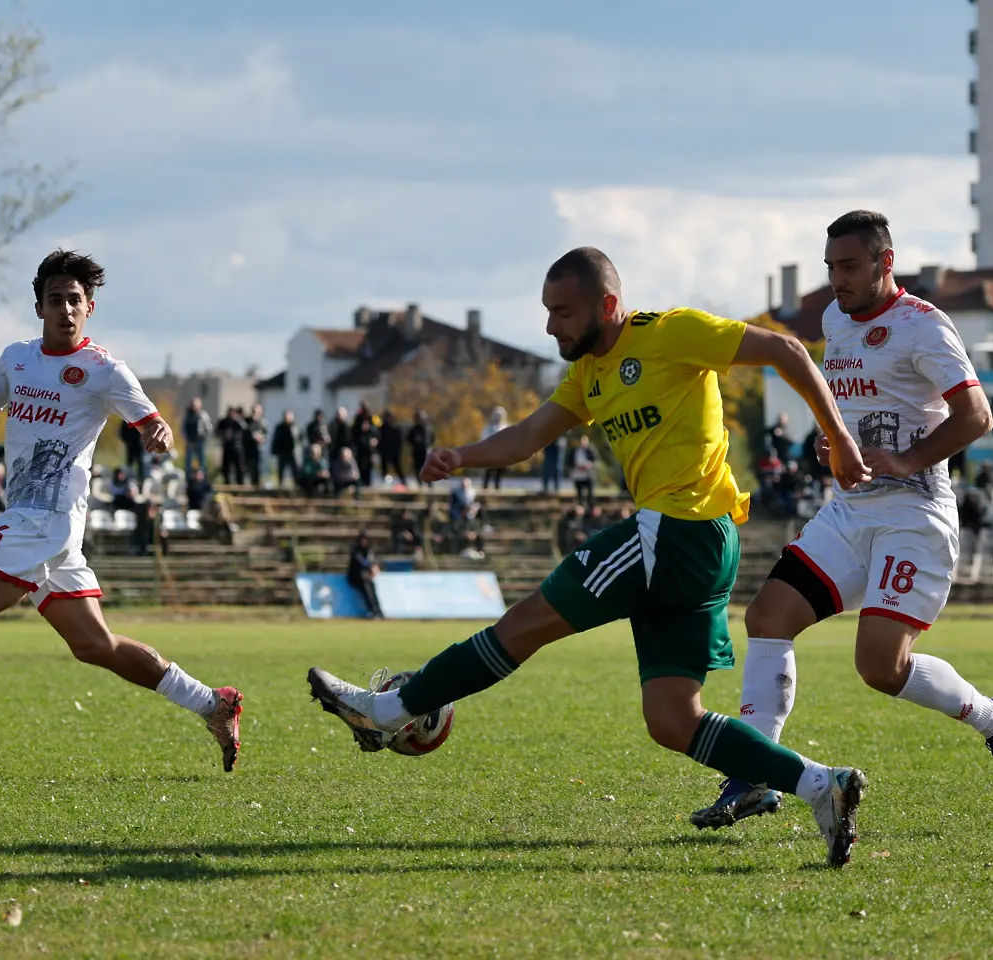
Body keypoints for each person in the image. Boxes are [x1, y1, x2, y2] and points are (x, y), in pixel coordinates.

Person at [308, 245, 873, 867]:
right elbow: (528, 437)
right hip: (697, 547)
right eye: (548, 312)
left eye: (564, 312)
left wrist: (839, 437)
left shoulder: (672, 332)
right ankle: (824, 785)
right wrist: (462, 455)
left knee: (525, 624)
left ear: (608, 304)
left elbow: (786, 350)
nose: (552, 326)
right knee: (671, 719)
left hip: (678, 529)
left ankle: (388, 710)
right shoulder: (588, 374)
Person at [690, 210, 993, 833]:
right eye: (830, 268)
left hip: (915, 514)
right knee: (768, 616)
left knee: (879, 667)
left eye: (849, 267)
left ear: (886, 261)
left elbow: (976, 417)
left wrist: (905, 457)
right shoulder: (834, 319)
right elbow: (850, 406)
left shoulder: (924, 326)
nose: (837, 281)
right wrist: (836, 445)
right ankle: (754, 775)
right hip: (852, 511)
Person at [0, 249, 242, 779]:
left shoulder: (104, 370)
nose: (66, 309)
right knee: (95, 645)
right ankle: (215, 703)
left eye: (75, 300)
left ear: (89, 308)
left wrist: (157, 432)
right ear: (39, 307)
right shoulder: (17, 359)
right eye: (56, 300)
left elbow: (151, 422)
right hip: (40, 526)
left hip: (44, 519)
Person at [347, 530, 385, 619]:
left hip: (365, 577)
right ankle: (372, 611)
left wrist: (375, 566)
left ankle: (378, 611)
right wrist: (371, 567)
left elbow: (373, 561)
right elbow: (361, 563)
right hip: (355, 577)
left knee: (372, 588)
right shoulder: (356, 551)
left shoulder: (368, 551)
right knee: (367, 588)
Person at [182, 397, 212, 476]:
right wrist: (186, 438)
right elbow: (183, 428)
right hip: (190, 442)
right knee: (188, 463)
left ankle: (203, 479)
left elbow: (208, 428)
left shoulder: (203, 415)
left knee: (202, 463)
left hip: (199, 441)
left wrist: (204, 439)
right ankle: (189, 480)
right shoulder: (188, 416)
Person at [480, 407, 510, 489]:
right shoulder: (489, 427)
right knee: (489, 470)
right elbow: (483, 437)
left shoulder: (505, 427)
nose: (498, 417)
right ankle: (485, 487)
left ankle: (497, 487)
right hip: (490, 451)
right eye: (497, 415)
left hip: (501, 452)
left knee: (499, 471)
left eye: (500, 415)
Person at [271, 411, 301, 488]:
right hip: (283, 452)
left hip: (293, 452)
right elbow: (276, 439)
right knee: (281, 470)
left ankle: (297, 485)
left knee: (296, 470)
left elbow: (300, 439)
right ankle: (280, 486)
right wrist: (274, 451)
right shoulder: (280, 427)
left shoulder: (296, 427)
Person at [216, 406, 246, 485]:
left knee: (239, 468)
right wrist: (223, 435)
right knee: (226, 468)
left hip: (237, 448)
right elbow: (217, 432)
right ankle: (227, 484)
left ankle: (240, 485)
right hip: (227, 448)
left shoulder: (238, 422)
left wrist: (238, 420)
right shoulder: (224, 422)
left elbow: (245, 429)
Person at [351, 403, 378, 488]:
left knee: (369, 465)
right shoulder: (357, 418)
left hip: (370, 447)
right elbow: (353, 432)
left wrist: (375, 439)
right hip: (361, 445)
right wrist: (360, 429)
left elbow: (377, 431)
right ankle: (361, 482)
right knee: (360, 464)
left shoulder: (373, 418)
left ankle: (369, 482)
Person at [568, 434, 597, 506]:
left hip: (588, 475)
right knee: (579, 494)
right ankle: (580, 507)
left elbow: (595, 460)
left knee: (590, 494)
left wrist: (589, 465)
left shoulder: (590, 450)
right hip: (577, 475)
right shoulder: (574, 451)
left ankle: (591, 507)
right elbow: (569, 462)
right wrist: (577, 467)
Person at [244, 403, 268, 487]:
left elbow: (266, 436)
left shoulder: (263, 423)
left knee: (258, 468)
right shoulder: (247, 421)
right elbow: (245, 433)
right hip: (248, 449)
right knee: (247, 468)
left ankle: (256, 485)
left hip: (258, 449)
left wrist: (260, 438)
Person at [378, 410, 405, 483]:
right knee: (384, 469)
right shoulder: (381, 428)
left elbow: (399, 441)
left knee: (397, 467)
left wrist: (398, 450)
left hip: (393, 452)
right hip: (385, 451)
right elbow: (379, 440)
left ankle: (403, 482)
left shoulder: (395, 428)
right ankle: (384, 482)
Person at [407, 410, 433, 483]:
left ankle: (429, 483)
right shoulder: (414, 429)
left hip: (426, 451)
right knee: (417, 468)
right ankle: (420, 483)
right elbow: (409, 439)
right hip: (417, 451)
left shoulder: (428, 428)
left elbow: (432, 439)